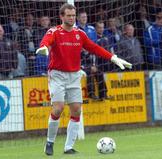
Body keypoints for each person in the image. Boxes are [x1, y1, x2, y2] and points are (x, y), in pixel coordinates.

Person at [36, 3, 132, 156]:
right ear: (62, 16)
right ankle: (50, 142)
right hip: (57, 75)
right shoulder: (54, 31)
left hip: (74, 75)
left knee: (76, 110)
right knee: (58, 108)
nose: (72, 18)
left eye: (73, 15)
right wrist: (44, 48)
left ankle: (68, 147)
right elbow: (45, 42)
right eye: (68, 15)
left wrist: (113, 57)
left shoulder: (79, 34)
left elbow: (94, 47)